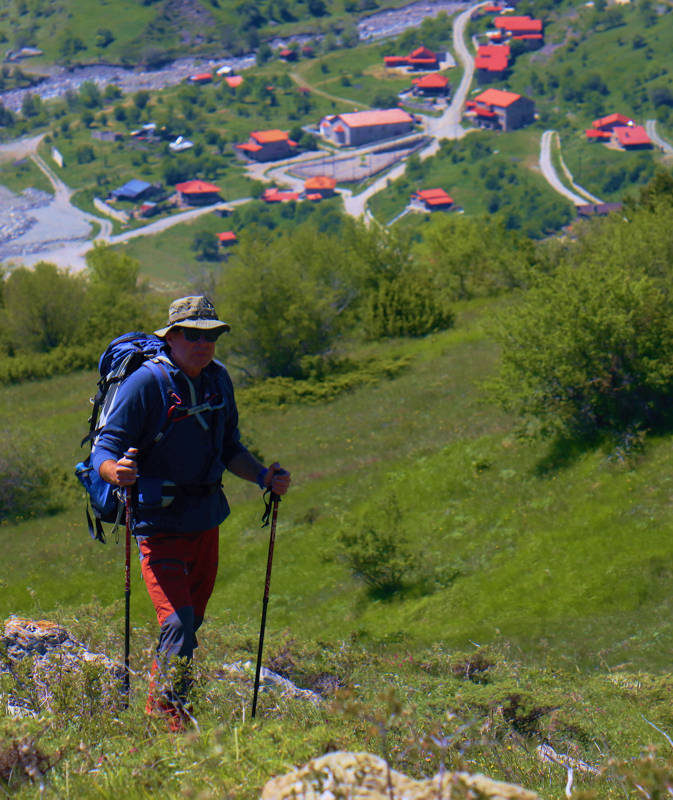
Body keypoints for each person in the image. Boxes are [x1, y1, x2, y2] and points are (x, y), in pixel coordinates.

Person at [92, 295, 291, 730]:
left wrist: (262, 476)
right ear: (172, 337)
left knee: (189, 626)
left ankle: (168, 707)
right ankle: (169, 726)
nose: (204, 344)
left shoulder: (219, 381)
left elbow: (229, 449)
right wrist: (115, 472)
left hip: (204, 522)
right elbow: (103, 450)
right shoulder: (146, 384)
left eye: (212, 336)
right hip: (158, 525)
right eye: (193, 335)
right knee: (179, 625)